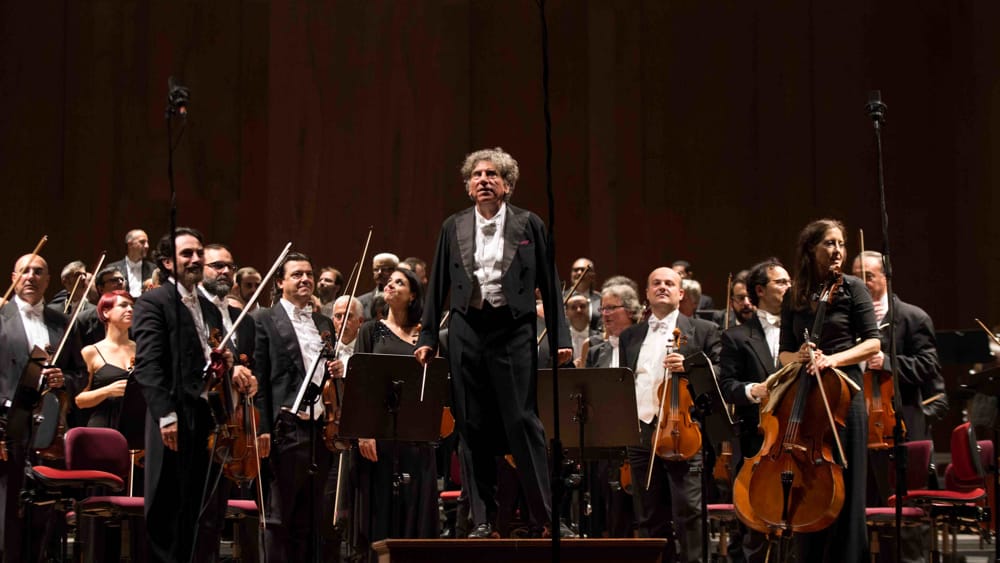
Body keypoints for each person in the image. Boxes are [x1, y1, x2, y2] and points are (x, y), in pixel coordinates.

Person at [414, 147, 573, 539]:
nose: (484, 180)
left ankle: (547, 517)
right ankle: (482, 519)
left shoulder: (529, 223)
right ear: (469, 187)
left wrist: (560, 336)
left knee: (523, 421)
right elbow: (438, 284)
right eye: (477, 175)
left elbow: (550, 285)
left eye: (492, 174)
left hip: (513, 329)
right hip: (467, 329)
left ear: (507, 185)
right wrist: (429, 335)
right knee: (471, 423)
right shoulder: (453, 226)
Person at [132, 227, 258, 563]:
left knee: (194, 509)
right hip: (172, 415)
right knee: (166, 508)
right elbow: (148, 365)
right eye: (186, 254)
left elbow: (209, 356)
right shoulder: (153, 301)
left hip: (206, 417)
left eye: (199, 252)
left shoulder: (209, 306)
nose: (195, 259)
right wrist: (165, 415)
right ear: (167, 262)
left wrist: (227, 365)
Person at [777, 219, 880, 562]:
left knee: (847, 484)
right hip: (805, 396)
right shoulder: (796, 295)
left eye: (841, 244)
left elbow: (872, 343)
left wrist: (831, 360)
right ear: (811, 249)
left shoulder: (854, 289)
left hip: (843, 395)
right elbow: (784, 353)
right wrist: (802, 356)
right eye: (829, 244)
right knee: (809, 478)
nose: (837, 251)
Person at [619, 266, 721, 562]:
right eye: (655, 283)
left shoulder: (703, 330)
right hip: (641, 431)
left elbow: (721, 375)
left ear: (680, 294)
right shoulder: (631, 336)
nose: (662, 287)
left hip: (683, 430)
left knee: (689, 512)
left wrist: (690, 366)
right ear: (647, 294)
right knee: (649, 514)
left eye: (669, 283)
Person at [253, 252, 344, 562]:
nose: (305, 279)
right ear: (280, 282)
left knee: (310, 519)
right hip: (284, 428)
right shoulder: (263, 319)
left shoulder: (322, 322)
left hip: (320, 430)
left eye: (308, 273)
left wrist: (335, 369)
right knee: (278, 517)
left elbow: (325, 371)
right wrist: (262, 427)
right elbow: (260, 378)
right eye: (296, 274)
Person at [0, 253, 85, 561]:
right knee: (7, 506)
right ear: (13, 278)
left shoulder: (62, 321)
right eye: (24, 271)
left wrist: (65, 380)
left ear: (48, 281)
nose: (31, 277)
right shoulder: (1, 316)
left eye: (38, 272)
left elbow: (80, 373)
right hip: (7, 423)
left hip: (49, 426)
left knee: (43, 509)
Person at [355, 268, 439, 544]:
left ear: (413, 294)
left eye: (399, 282)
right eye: (388, 281)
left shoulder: (426, 336)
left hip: (415, 436)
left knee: (414, 513)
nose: (390, 285)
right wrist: (364, 432)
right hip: (379, 437)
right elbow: (360, 384)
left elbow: (434, 386)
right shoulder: (370, 330)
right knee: (381, 513)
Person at [717, 258, 791, 562]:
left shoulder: (803, 332)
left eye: (789, 281)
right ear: (760, 290)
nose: (790, 287)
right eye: (782, 282)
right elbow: (727, 386)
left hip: (797, 437)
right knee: (755, 527)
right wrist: (752, 391)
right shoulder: (736, 337)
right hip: (755, 442)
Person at [585, 282, 644, 539]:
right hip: (606, 440)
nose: (605, 314)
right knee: (610, 508)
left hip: (639, 436)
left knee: (642, 508)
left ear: (630, 311)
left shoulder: (644, 345)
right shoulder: (597, 351)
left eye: (612, 308)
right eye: (602, 309)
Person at [75, 290, 135, 428]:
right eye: (123, 305)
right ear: (106, 312)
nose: (130, 309)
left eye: (132, 306)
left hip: (137, 425)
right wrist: (108, 391)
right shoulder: (91, 352)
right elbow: (79, 400)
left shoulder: (141, 350)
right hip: (103, 426)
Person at [107, 228, 156, 298]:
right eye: (142, 242)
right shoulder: (112, 269)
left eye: (147, 242)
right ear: (130, 244)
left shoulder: (154, 269)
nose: (147, 246)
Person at [358, 253, 399, 321]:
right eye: (376, 269)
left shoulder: (403, 299)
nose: (379, 272)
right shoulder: (360, 302)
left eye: (385, 269)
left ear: (396, 270)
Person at [565, 258, 603, 331]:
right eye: (576, 270)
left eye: (583, 270)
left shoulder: (601, 299)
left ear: (592, 275)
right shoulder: (561, 299)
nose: (579, 273)